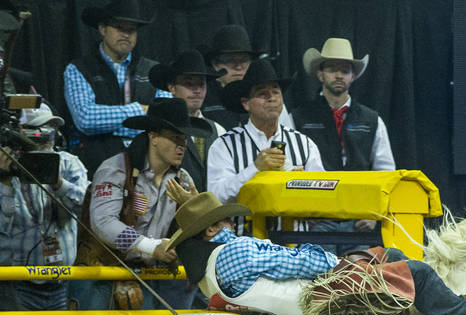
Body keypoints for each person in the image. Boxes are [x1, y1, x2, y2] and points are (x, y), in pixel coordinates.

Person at [166, 191, 466, 315]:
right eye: (222, 220)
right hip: (318, 295)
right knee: (417, 274)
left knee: (391, 254)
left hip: (303, 299)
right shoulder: (235, 251)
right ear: (211, 231)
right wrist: (336, 262)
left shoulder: (208, 272)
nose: (230, 222)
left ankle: (451, 314)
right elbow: (297, 262)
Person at [77, 98, 210, 311]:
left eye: (184, 140)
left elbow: (195, 230)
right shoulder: (116, 170)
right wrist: (151, 246)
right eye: (176, 138)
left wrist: (194, 210)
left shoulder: (182, 179)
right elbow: (103, 222)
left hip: (144, 276)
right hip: (101, 274)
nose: (182, 146)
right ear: (153, 137)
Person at [0, 104, 88, 315]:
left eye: (51, 127)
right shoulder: (4, 168)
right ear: (19, 134)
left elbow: (85, 208)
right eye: (37, 129)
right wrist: (4, 180)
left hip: (59, 283)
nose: (45, 134)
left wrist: (56, 180)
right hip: (16, 285)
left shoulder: (69, 163)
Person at [294, 37, 395, 239]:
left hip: (360, 218)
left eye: (345, 70)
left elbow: (386, 172)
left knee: (361, 269)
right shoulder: (298, 117)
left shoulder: (371, 119)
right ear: (320, 74)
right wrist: (302, 209)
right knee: (320, 270)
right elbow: (292, 169)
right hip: (317, 217)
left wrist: (376, 213)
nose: (339, 75)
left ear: (353, 76)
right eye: (332, 69)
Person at [63, 0, 169, 178]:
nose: (126, 34)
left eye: (131, 30)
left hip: (147, 171)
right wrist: (141, 112)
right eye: (120, 28)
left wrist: (109, 127)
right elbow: (86, 119)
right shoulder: (78, 68)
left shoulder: (154, 70)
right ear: (102, 29)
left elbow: (165, 118)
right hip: (98, 171)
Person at [207, 60, 324, 206]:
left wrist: (300, 182)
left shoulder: (303, 143)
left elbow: (323, 192)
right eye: (262, 94)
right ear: (246, 103)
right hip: (245, 228)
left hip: (294, 227)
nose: (272, 98)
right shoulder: (225, 145)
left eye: (276, 92)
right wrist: (255, 169)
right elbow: (216, 197)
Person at [149, 50, 225, 190]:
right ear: (172, 87)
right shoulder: (158, 129)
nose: (196, 90)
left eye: (201, 84)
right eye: (188, 84)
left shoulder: (219, 131)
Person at [200, 25, 296, 132]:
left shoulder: (271, 99)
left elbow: (285, 136)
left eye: (244, 60)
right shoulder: (201, 97)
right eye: (231, 60)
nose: (238, 66)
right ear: (215, 64)